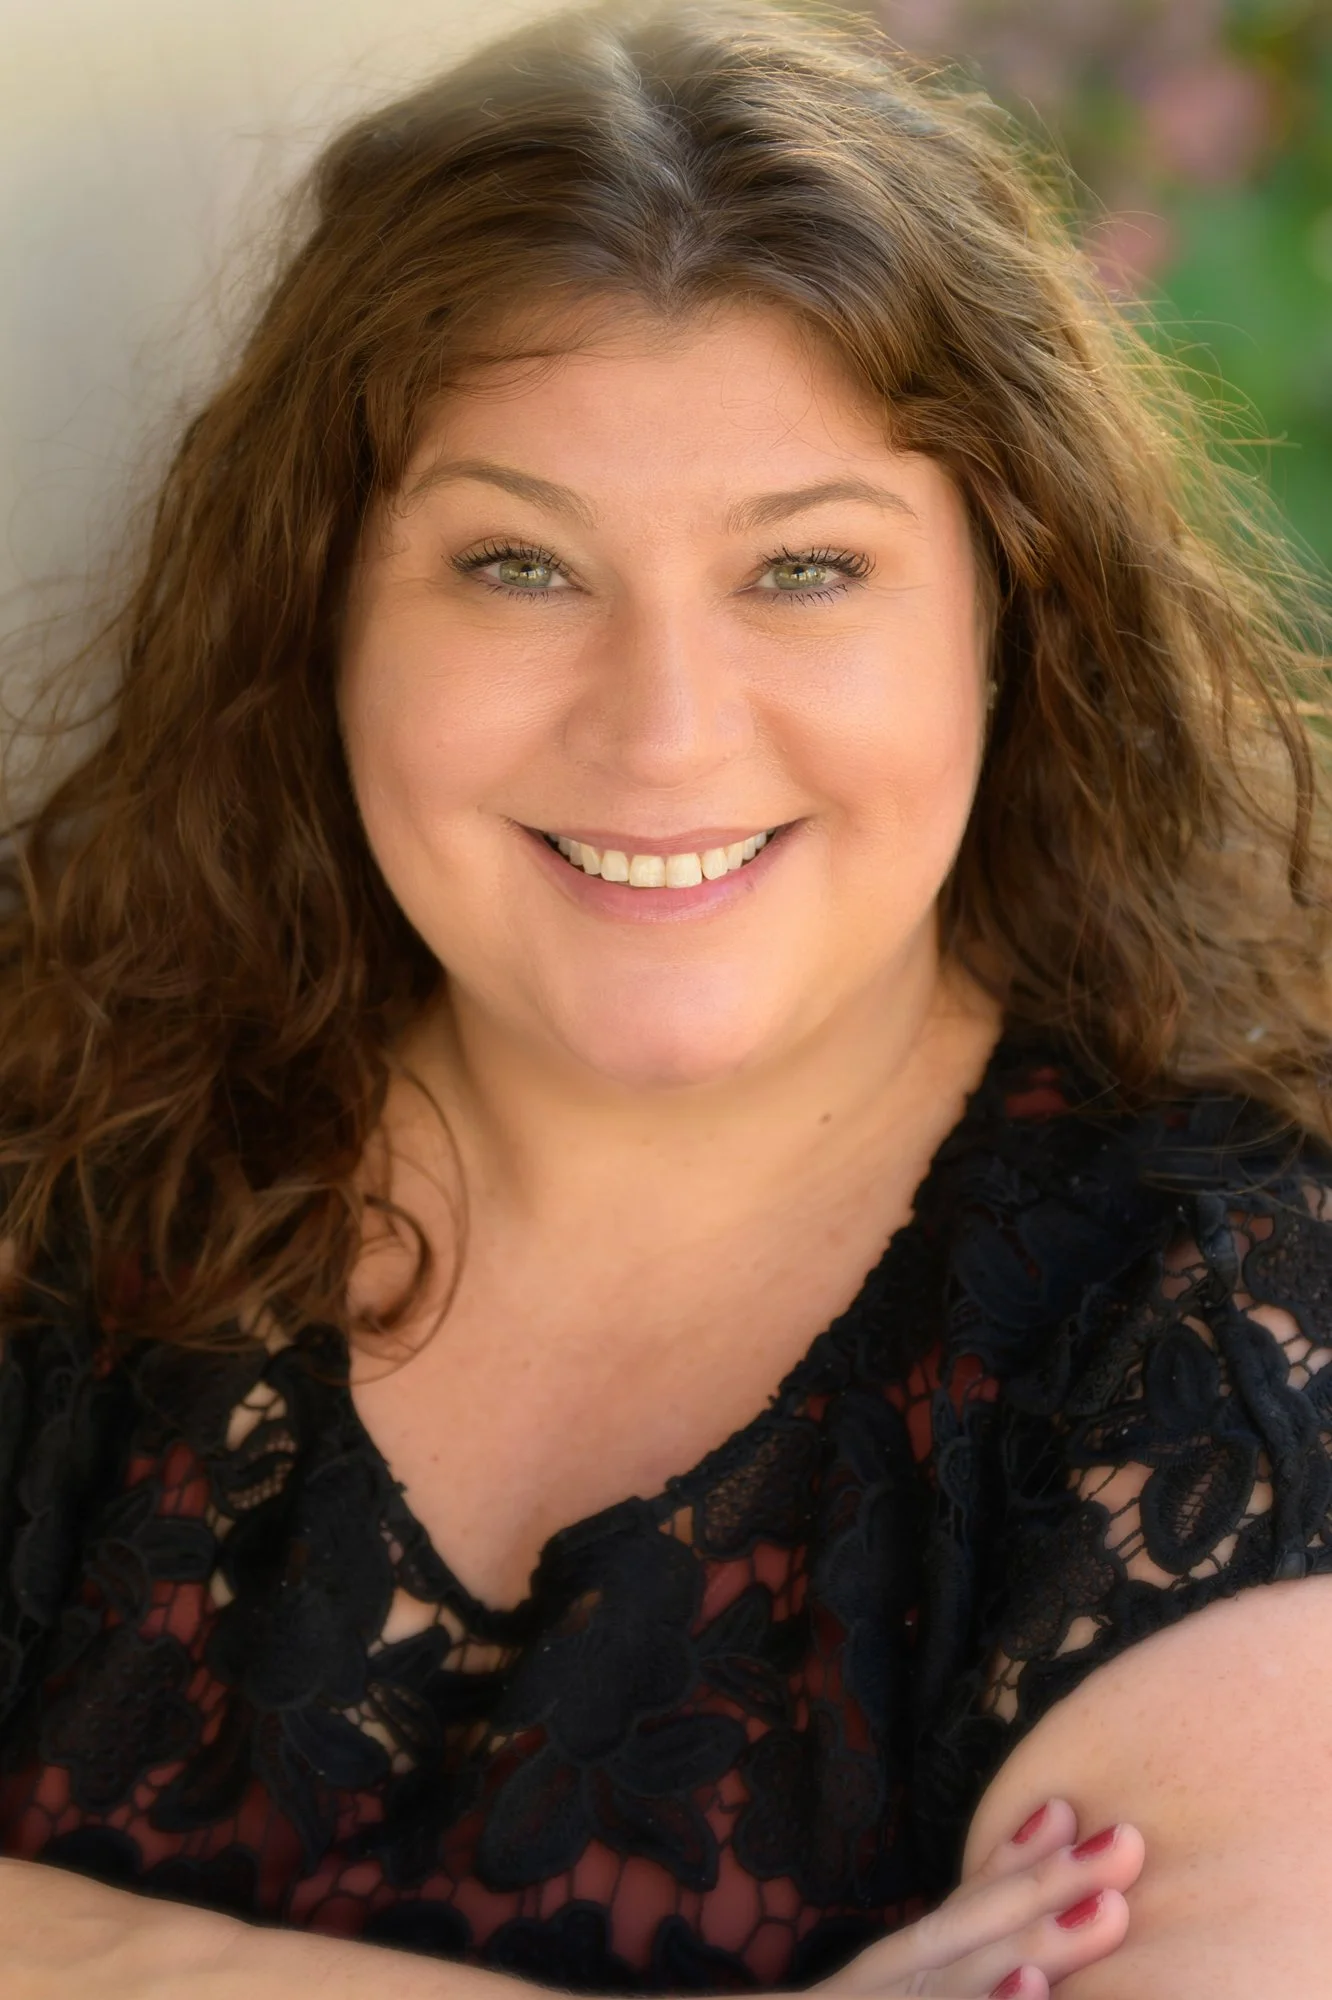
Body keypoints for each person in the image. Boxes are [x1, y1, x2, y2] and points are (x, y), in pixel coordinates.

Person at [2, 0, 1332, 1993]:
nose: (663, 733)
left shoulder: (1224, 1333)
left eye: (805, 569)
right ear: (324, 609)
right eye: (519, 565)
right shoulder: (60, 1141)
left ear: (1008, 618)